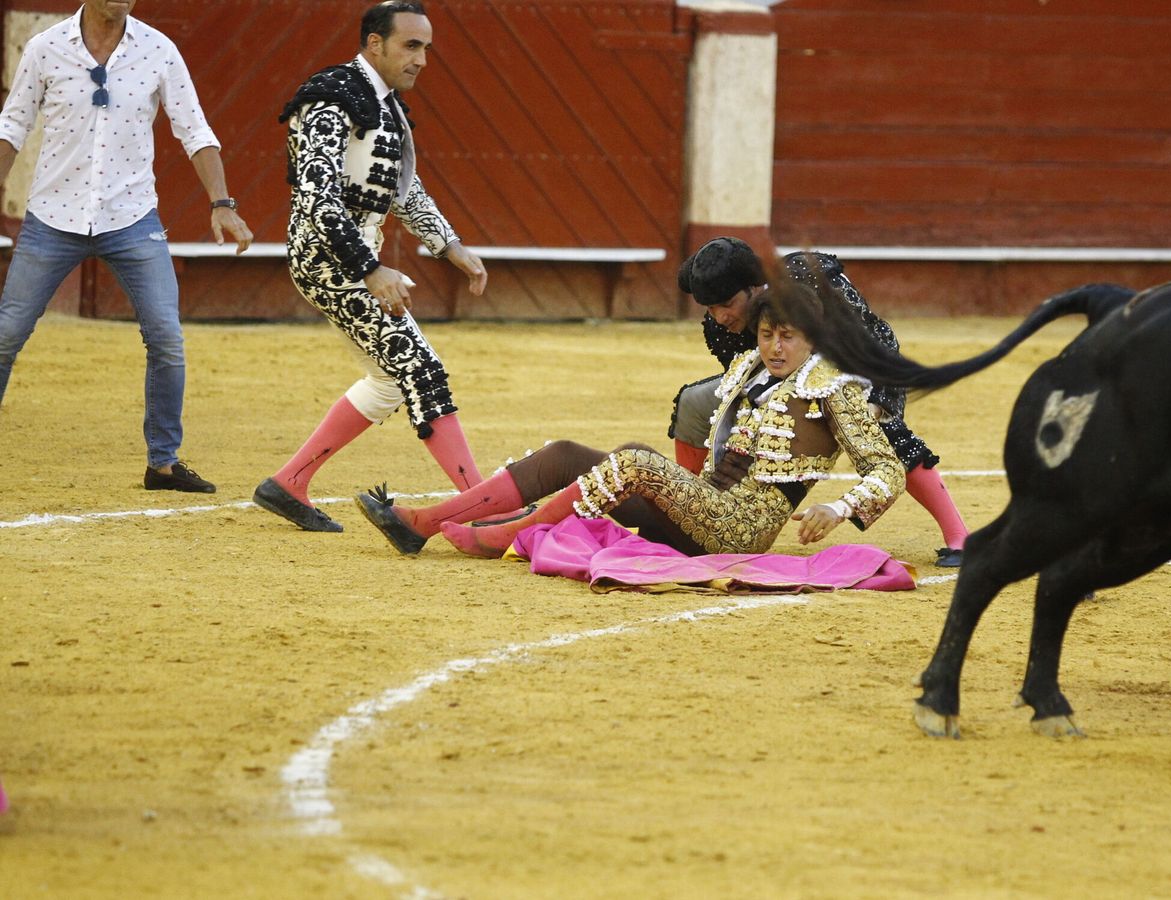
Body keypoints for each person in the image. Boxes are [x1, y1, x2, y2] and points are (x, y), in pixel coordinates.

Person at [355, 280, 905, 560]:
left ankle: (504, 538)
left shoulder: (835, 388)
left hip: (740, 530)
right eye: (767, 335)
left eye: (788, 336)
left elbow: (888, 469)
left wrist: (838, 507)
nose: (775, 347)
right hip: (702, 506)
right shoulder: (749, 368)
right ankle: (422, 524)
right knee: (570, 454)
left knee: (636, 460)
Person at [0, 0, 254, 493]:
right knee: (7, 333)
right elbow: (12, 127)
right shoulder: (45, 48)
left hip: (131, 217)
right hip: (54, 215)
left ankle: (163, 463)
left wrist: (222, 202)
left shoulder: (159, 49)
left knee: (166, 339)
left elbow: (194, 129)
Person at [254, 0, 489, 533]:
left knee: (389, 381)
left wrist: (449, 245)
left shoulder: (385, 104)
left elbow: (403, 190)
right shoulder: (330, 97)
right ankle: (481, 501)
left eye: (426, 48)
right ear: (375, 44)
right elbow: (318, 200)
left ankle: (289, 483)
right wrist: (369, 269)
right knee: (420, 368)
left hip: (353, 256)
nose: (421, 59)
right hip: (328, 257)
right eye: (411, 46)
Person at [671, 237, 970, 566]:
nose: (719, 316)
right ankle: (695, 509)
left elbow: (879, 339)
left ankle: (958, 536)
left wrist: (878, 401)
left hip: (849, 372)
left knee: (885, 429)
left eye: (727, 303)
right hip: (781, 383)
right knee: (694, 402)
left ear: (752, 287)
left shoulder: (809, 278)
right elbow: (742, 381)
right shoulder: (719, 325)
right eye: (710, 308)